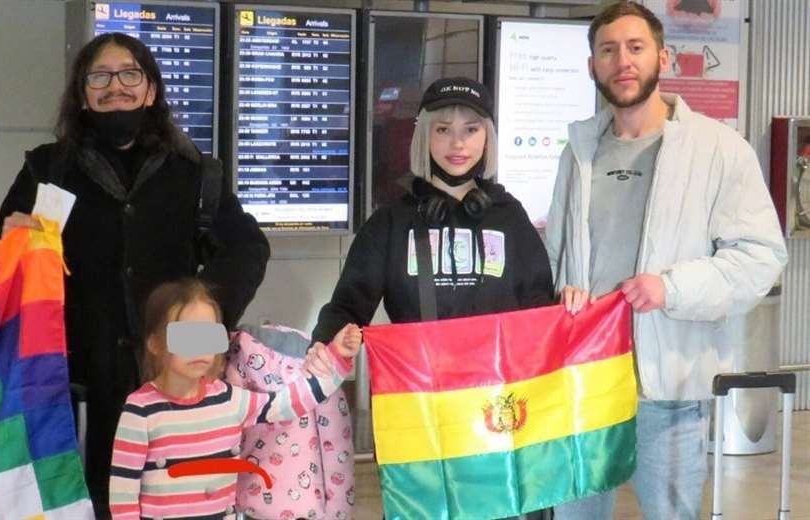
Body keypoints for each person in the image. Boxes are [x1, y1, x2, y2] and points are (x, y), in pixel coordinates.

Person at [0, 33, 270, 515]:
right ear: (83, 94)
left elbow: (248, 248)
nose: (115, 86)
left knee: (173, 503)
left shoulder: (194, 173)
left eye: (129, 74)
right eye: (99, 76)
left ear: (151, 90)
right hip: (75, 385)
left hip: (172, 386)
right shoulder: (46, 170)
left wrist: (200, 330)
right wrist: (7, 242)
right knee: (86, 503)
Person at [546, 3, 787, 518]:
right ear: (592, 65)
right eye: (608, 50)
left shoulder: (719, 150)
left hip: (671, 390)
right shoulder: (579, 152)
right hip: (585, 383)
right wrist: (562, 289)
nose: (622, 61)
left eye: (635, 47)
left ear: (663, 56)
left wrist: (671, 288)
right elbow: (558, 253)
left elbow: (762, 257)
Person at [311, 76, 553, 341]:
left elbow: (542, 311)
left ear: (487, 137)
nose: (458, 143)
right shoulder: (392, 222)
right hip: (416, 368)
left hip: (499, 369)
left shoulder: (509, 216)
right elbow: (346, 309)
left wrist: (570, 302)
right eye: (443, 130)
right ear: (425, 136)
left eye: (471, 130)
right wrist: (332, 341)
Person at [108, 278, 361, 519]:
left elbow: (290, 402)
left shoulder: (229, 400)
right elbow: (122, 497)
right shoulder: (140, 411)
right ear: (155, 344)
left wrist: (336, 357)